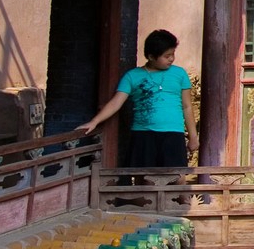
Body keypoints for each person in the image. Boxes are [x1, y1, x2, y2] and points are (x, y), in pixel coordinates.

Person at [83, 29, 195, 167]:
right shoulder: (132, 76)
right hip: (143, 134)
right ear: (151, 57)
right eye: (167, 56)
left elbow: (187, 106)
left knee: (178, 177)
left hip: (173, 133)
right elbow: (116, 102)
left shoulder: (180, 74)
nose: (171, 59)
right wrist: (95, 121)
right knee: (146, 179)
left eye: (172, 54)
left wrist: (193, 136)